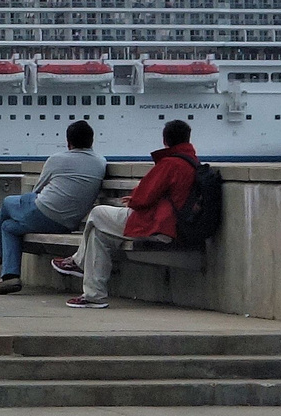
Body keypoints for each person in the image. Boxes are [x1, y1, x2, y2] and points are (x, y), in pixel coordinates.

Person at [51, 118, 198, 309]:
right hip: (172, 226)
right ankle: (94, 296)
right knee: (98, 236)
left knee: (96, 213)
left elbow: (144, 196)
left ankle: (77, 261)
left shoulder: (170, 163)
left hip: (157, 225)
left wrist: (134, 199)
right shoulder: (191, 161)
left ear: (165, 141)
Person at [0, 120, 106, 295]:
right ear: (91, 141)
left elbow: (37, 190)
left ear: (68, 142)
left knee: (8, 202)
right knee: (8, 227)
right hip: (68, 223)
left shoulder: (57, 159)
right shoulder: (100, 161)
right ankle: (10, 276)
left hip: (43, 212)